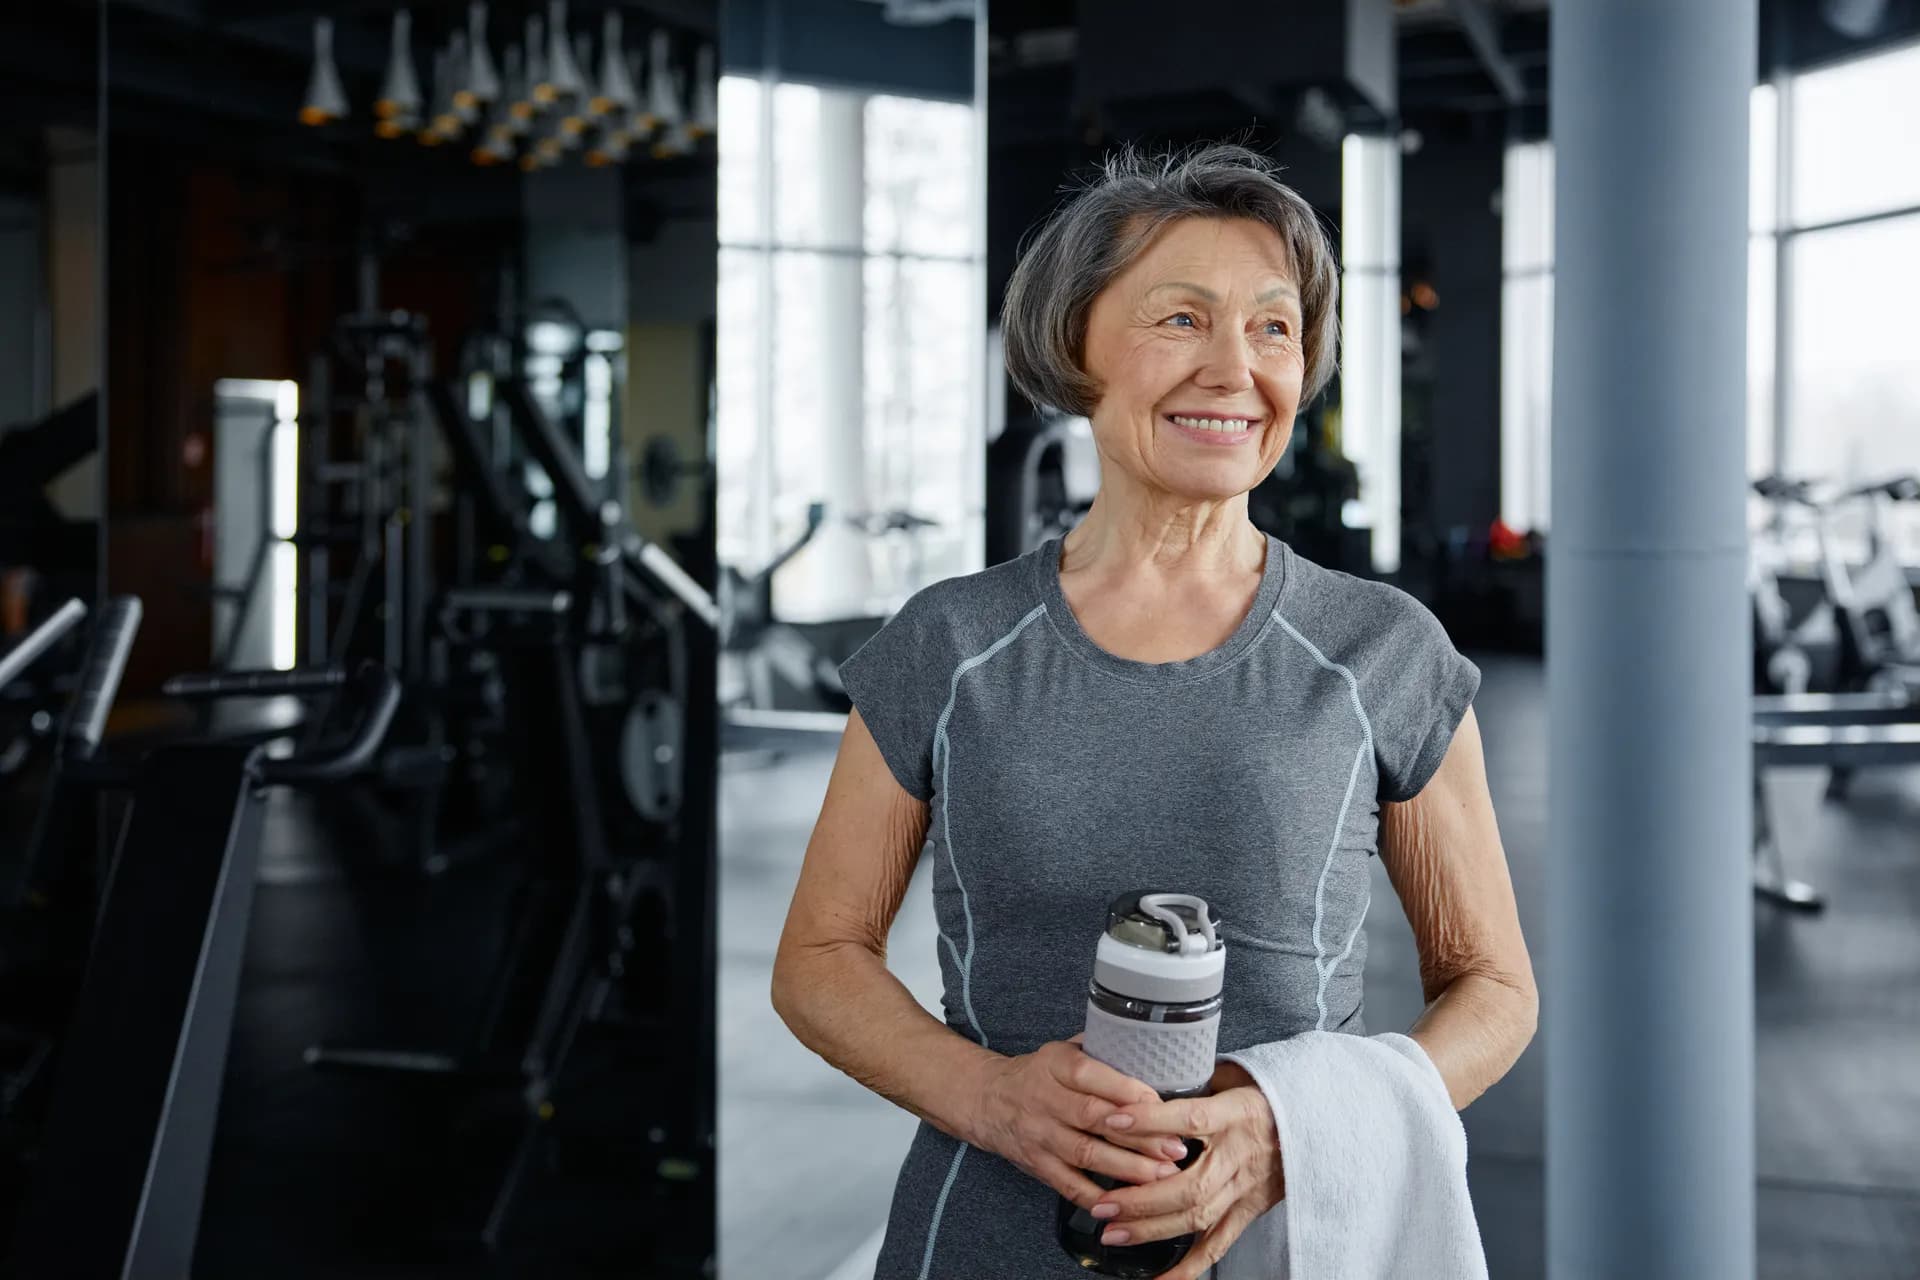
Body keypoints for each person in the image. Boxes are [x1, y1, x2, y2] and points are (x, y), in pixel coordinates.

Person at [771, 142, 1536, 1279]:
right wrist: (990, 1096)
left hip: (1286, 1241)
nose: (1237, 367)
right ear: (1075, 341)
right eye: (1181, 318)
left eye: (1275, 327)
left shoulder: (1380, 650)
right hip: (982, 1243)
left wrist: (1289, 1128)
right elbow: (819, 958)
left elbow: (1495, 987)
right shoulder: (953, 643)